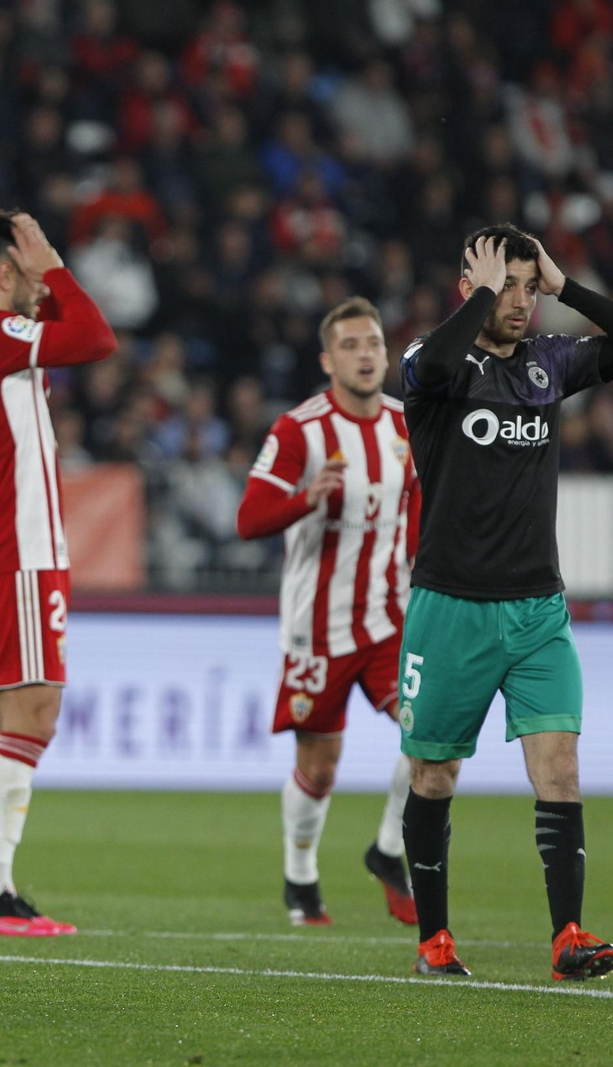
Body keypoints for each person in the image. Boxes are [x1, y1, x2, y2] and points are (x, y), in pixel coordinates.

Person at [397, 224, 613, 979]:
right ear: (470, 288)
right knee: (434, 776)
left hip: (539, 609)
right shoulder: (433, 361)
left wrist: (566, 284)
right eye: (504, 286)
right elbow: (435, 365)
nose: (520, 301)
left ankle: (567, 937)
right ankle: (434, 940)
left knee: (561, 770)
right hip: (451, 606)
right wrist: (481, 293)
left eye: (527, 286)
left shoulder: (550, 362)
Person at [0, 209, 116, 936]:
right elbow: (95, 338)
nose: (42, 291)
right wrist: (58, 271)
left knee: (4, 721)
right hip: (21, 547)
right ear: (5, 274)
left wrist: (39, 278)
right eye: (30, 276)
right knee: (33, 717)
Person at [236, 297, 420, 928]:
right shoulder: (299, 430)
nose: (364, 355)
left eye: (373, 343)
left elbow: (418, 505)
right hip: (317, 628)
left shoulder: (407, 424)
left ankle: (389, 849)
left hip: (391, 620)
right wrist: (306, 498)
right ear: (327, 360)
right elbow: (249, 519)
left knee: (434, 735)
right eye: (350, 345)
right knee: (320, 766)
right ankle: (300, 876)